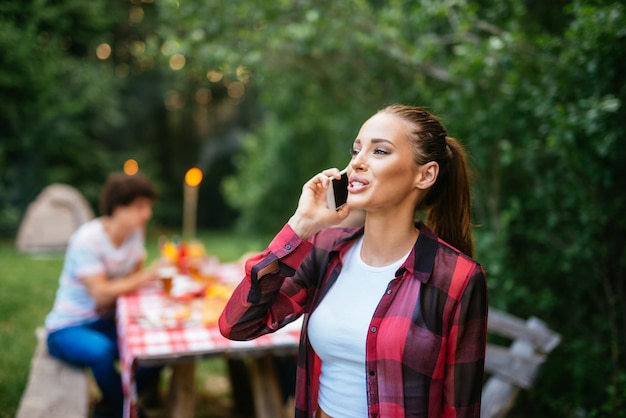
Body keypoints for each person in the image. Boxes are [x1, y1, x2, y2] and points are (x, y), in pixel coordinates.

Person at [219, 104, 488, 418]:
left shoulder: (457, 277)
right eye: (356, 149)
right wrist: (302, 225)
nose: (357, 162)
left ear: (425, 174)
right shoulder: (326, 250)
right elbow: (238, 325)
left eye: (380, 151)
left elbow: (460, 409)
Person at [45, 172, 162, 418]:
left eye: (148, 207)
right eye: (140, 207)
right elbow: (101, 296)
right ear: (118, 208)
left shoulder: (134, 234)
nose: (147, 214)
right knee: (102, 351)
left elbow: (130, 281)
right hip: (68, 326)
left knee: (158, 350)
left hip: (108, 321)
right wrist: (149, 274)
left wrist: (139, 274)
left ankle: (112, 404)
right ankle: (127, 408)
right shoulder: (87, 240)